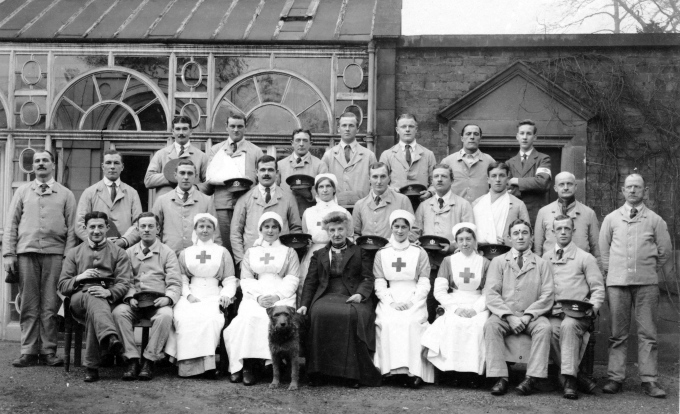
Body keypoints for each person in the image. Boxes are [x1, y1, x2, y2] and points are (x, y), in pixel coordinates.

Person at [599, 174, 672, 398]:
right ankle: (615, 378)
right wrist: (615, 272)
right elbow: (604, 251)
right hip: (617, 284)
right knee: (617, 334)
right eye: (629, 187)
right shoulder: (611, 219)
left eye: (637, 187)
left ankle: (649, 380)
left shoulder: (655, 220)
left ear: (645, 190)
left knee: (647, 333)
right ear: (622, 191)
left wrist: (646, 268)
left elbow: (665, 252)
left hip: (647, 284)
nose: (633, 191)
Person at [4, 150, 77, 368]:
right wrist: (9, 254)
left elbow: (72, 229)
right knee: (28, 303)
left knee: (50, 304)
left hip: (55, 255)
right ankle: (28, 350)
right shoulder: (23, 192)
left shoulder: (65, 194)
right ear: (33, 167)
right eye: (37, 161)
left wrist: (68, 257)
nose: (41, 164)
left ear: (53, 165)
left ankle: (48, 350)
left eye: (45, 160)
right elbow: (12, 224)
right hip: (26, 253)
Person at [298, 211, 381, 388]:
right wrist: (304, 305)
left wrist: (360, 294)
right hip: (325, 295)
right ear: (327, 232)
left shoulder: (360, 252)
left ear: (348, 230)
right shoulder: (319, 254)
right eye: (332, 230)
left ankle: (351, 374)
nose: (337, 234)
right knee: (318, 313)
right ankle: (319, 372)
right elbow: (311, 282)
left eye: (340, 229)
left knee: (350, 315)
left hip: (353, 295)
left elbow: (367, 278)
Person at [224, 212, 300, 386]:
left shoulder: (289, 252)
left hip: (282, 294)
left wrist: (277, 296)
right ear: (260, 229)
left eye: (274, 227)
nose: (270, 230)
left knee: (272, 318)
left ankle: (271, 364)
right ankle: (246, 366)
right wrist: (258, 298)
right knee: (248, 317)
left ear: (280, 229)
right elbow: (246, 279)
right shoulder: (251, 252)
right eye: (266, 226)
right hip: (256, 293)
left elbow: (293, 278)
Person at [57, 212, 131, 382]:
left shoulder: (119, 252)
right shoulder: (74, 252)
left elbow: (124, 282)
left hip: (106, 299)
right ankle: (110, 337)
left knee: (95, 308)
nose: (96, 231)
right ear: (85, 228)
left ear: (107, 227)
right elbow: (62, 285)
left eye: (100, 226)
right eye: (92, 227)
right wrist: (80, 277)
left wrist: (109, 292)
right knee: (92, 297)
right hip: (79, 298)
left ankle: (92, 367)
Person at [484, 219, 554, 396]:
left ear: (531, 237)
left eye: (524, 233)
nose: (520, 237)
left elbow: (547, 294)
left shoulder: (542, 263)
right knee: (491, 326)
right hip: (505, 316)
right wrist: (509, 316)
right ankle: (500, 377)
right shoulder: (499, 262)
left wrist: (529, 315)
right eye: (516, 233)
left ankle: (532, 378)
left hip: (532, 316)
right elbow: (491, 293)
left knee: (545, 328)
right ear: (509, 238)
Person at [166, 214, 237, 378]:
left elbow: (229, 279)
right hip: (192, 294)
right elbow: (181, 279)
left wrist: (226, 294)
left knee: (210, 320)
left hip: (214, 294)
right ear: (195, 230)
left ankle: (207, 367)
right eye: (201, 227)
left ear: (214, 230)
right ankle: (188, 367)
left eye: (208, 227)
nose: (204, 230)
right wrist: (188, 295)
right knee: (184, 317)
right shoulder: (186, 253)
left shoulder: (222, 252)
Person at [113, 212, 182, 381]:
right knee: (119, 313)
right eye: (142, 226)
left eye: (151, 226)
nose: (146, 229)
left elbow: (174, 282)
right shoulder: (128, 253)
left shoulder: (167, 253)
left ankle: (149, 360)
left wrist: (168, 298)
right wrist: (129, 297)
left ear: (158, 229)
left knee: (166, 315)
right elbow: (125, 279)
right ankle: (132, 359)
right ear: (137, 229)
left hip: (158, 302)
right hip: (135, 302)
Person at [543, 215, 604, 400]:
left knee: (568, 326)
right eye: (559, 229)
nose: (563, 232)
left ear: (573, 231)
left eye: (567, 229)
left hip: (578, 313)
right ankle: (578, 376)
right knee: (548, 329)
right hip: (554, 312)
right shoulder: (545, 258)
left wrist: (593, 307)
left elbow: (598, 288)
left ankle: (568, 380)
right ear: (553, 232)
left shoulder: (586, 258)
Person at [421, 223, 490, 385]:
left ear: (474, 240)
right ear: (456, 242)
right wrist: (455, 308)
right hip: (454, 302)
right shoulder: (448, 261)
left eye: (468, 239)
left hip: (477, 303)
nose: (465, 243)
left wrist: (475, 309)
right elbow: (439, 291)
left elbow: (489, 292)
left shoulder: (485, 262)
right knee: (451, 324)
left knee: (478, 326)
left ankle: (473, 375)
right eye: (461, 240)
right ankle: (451, 372)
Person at [373, 210, 433, 388]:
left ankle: (414, 372)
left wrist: (411, 302)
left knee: (411, 322)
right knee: (387, 321)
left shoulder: (419, 252)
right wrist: (390, 301)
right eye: (396, 226)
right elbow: (380, 282)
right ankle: (388, 370)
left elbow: (423, 282)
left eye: (404, 227)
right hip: (391, 297)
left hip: (414, 297)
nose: (399, 231)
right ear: (391, 227)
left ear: (409, 228)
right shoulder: (382, 253)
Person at [414, 163, 474, 323]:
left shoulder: (463, 205)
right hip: (430, 265)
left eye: (444, 176)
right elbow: (415, 232)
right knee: (429, 306)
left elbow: (470, 234)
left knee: (451, 308)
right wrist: (418, 244)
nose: (439, 179)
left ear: (452, 180)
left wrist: (453, 246)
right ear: (431, 181)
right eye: (436, 176)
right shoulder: (424, 206)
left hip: (454, 265)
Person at [205, 113, 263, 251]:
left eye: (239, 126)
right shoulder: (215, 150)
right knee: (224, 244)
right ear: (226, 127)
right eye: (232, 126)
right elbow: (209, 178)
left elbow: (260, 180)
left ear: (245, 128)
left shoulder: (255, 151)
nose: (236, 130)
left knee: (248, 242)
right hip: (222, 205)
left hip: (247, 204)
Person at [230, 155, 302, 265]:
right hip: (252, 258)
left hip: (280, 258)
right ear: (256, 172)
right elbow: (235, 233)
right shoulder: (245, 199)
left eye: (270, 170)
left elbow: (296, 228)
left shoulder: (288, 198)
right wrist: (241, 260)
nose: (266, 173)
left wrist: (290, 258)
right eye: (263, 170)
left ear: (277, 173)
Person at [299, 174, 353, 304]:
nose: (325, 190)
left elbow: (350, 235)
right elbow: (306, 233)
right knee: (309, 286)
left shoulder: (343, 212)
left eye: (328, 186)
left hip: (337, 252)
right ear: (316, 190)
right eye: (321, 187)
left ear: (334, 189)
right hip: (314, 252)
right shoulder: (309, 212)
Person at [76, 149, 143, 248]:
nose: (112, 167)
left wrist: (124, 241)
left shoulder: (132, 193)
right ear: (103, 167)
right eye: (108, 163)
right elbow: (79, 224)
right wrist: (96, 241)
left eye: (116, 163)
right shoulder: (89, 192)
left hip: (124, 250)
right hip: (96, 249)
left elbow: (138, 223)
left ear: (122, 167)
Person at [152, 159, 221, 255]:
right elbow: (154, 231)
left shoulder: (206, 201)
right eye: (182, 173)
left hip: (197, 257)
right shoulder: (162, 200)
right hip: (169, 257)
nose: (186, 177)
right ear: (175, 175)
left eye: (190, 173)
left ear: (195, 176)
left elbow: (215, 234)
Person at [534, 172, 600, 262]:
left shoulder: (589, 213)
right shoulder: (544, 212)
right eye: (561, 184)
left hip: (579, 269)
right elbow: (538, 249)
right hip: (551, 267)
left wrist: (601, 273)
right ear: (555, 188)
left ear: (576, 187)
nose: (565, 188)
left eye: (569, 184)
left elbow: (596, 249)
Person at [321, 112, 377, 208]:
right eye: (344, 125)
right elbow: (321, 183)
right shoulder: (328, 156)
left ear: (357, 129)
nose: (347, 129)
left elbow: (375, 183)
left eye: (351, 125)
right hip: (335, 207)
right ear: (338, 129)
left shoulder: (369, 155)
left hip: (363, 207)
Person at [145, 115, 208, 198]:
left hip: (192, 202)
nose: (181, 133)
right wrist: (170, 176)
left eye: (184, 129)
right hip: (166, 203)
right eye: (178, 129)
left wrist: (196, 188)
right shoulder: (161, 154)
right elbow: (148, 180)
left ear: (191, 131)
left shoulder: (201, 156)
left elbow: (209, 184)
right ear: (173, 132)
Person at [352, 162, 416, 240]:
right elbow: (354, 233)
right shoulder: (360, 204)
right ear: (369, 179)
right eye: (375, 177)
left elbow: (412, 231)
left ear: (389, 178)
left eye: (383, 176)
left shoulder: (402, 200)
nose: (379, 181)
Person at [506, 119, 552, 223]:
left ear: (535, 137)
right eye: (522, 133)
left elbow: (542, 183)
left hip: (536, 214)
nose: (525, 137)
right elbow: (507, 188)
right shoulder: (509, 163)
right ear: (517, 137)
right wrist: (531, 185)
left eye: (529, 133)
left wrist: (516, 181)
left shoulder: (543, 159)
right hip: (514, 215)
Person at [472, 162, 529, 246]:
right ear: (488, 179)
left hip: (508, 254)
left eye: (502, 175)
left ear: (507, 179)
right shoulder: (476, 204)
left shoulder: (518, 205)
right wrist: (488, 239)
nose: (498, 179)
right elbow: (469, 232)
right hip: (481, 253)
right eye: (494, 176)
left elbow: (527, 235)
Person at [379, 114, 436, 198]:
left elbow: (435, 181)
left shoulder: (428, 154)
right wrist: (391, 190)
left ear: (416, 129)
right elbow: (381, 181)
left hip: (421, 202)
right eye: (403, 126)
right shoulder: (387, 155)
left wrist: (430, 192)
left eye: (411, 126)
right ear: (397, 130)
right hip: (396, 202)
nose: (407, 129)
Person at [439, 124, 496, 204]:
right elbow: (440, 187)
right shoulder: (448, 161)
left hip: (481, 210)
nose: (472, 137)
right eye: (468, 134)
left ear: (480, 138)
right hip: (455, 210)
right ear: (462, 138)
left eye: (476, 134)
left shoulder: (489, 161)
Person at [278, 128, 328, 217]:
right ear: (292, 143)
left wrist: (309, 195)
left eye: (305, 140)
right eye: (298, 140)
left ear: (310, 143)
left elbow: (325, 192)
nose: (301, 144)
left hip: (310, 215)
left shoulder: (320, 165)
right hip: (286, 215)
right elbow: (275, 190)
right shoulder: (280, 165)